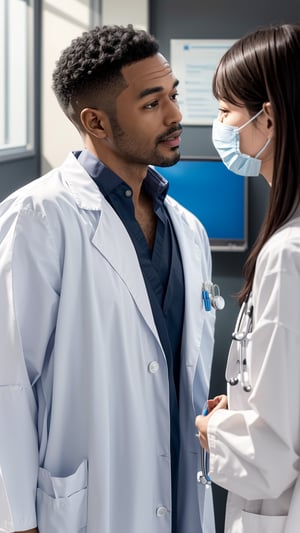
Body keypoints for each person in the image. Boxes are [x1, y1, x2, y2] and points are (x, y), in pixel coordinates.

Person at [0, 25, 216, 533]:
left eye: (173, 96)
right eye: (151, 104)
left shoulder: (186, 228)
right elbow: (7, 379)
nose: (176, 116)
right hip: (86, 508)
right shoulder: (38, 219)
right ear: (95, 121)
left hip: (180, 495)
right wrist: (18, 521)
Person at [195, 23, 300, 533]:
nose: (219, 126)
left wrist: (212, 427)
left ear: (270, 118)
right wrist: (240, 403)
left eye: (224, 112)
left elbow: (271, 457)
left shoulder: (288, 253)